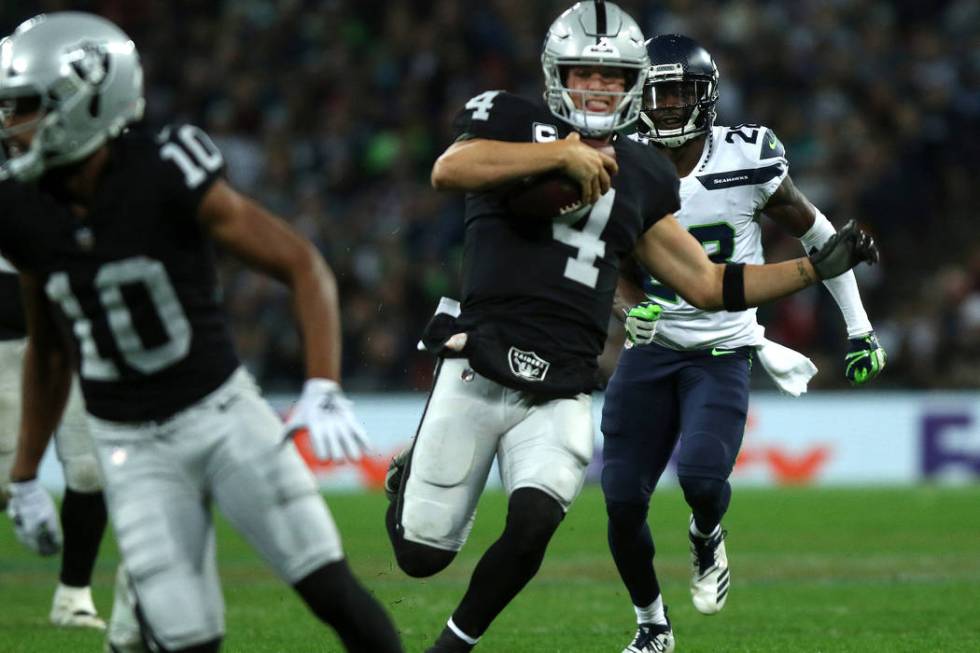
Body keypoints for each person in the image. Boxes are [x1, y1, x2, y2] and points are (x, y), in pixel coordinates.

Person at [382, 3, 878, 652]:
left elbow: (705, 282)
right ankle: (408, 474)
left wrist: (810, 271)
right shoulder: (511, 117)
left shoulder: (644, 171)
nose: (597, 87)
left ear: (633, 83)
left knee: (534, 522)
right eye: (584, 72)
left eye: (613, 77)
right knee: (421, 555)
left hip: (564, 382)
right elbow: (452, 169)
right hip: (481, 357)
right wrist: (563, 153)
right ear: (557, 74)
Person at [0, 12, 401, 653]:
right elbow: (48, 348)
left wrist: (323, 384)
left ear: (86, 100)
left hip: (220, 414)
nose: (11, 127)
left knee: (331, 591)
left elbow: (301, 263)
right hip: (130, 446)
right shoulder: (18, 208)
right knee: (190, 641)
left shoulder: (164, 166)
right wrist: (24, 474)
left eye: (24, 108)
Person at [602, 35, 887, 653]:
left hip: (722, 352)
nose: (669, 105)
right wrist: (631, 306)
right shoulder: (621, 162)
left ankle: (707, 534)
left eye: (680, 92)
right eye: (659, 92)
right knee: (622, 500)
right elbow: (608, 256)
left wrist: (859, 327)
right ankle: (652, 625)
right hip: (651, 351)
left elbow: (822, 238)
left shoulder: (747, 156)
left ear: (706, 96)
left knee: (703, 480)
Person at [1, 254, 109, 630]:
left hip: (71, 339)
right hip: (6, 346)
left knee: (89, 469)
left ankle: (73, 597)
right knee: (2, 487)